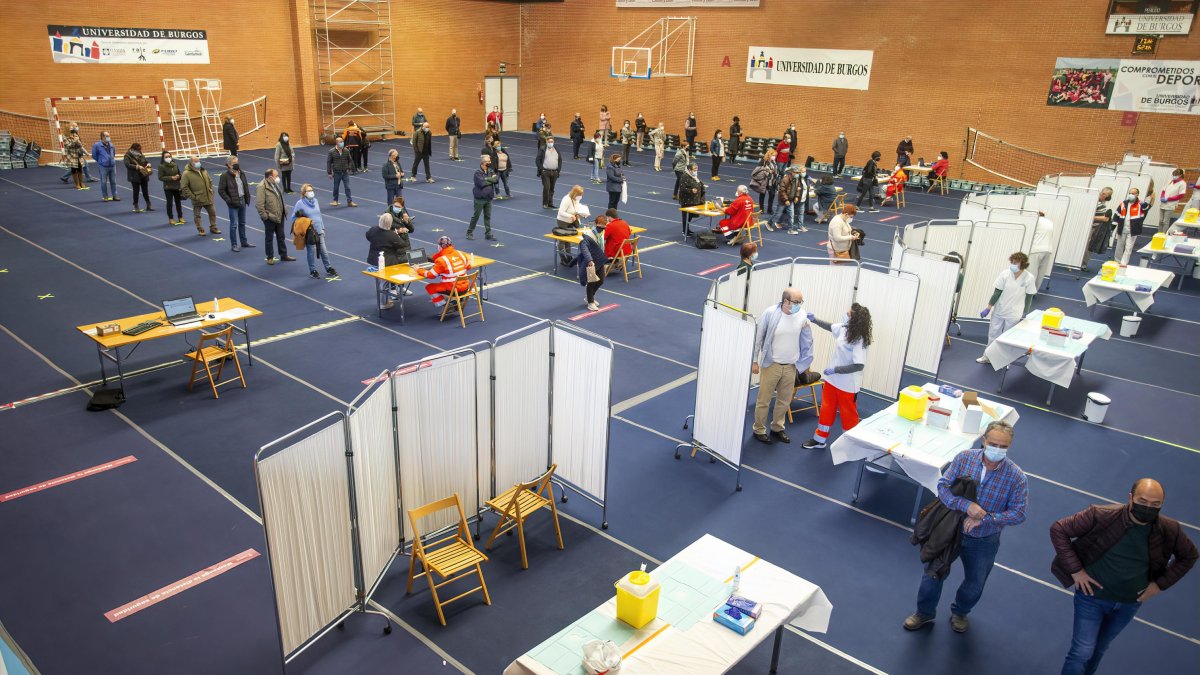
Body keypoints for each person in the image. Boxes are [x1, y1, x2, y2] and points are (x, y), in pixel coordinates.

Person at [1051, 478, 1197, 675]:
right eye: (1143, 501)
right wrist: (1076, 570)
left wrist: (1159, 585)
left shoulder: (1170, 529)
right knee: (1082, 651)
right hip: (1091, 598)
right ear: (1131, 498)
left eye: (1155, 505)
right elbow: (1059, 529)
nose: (1148, 508)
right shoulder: (1101, 515)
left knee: (1098, 650)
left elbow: (1189, 555)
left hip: (1129, 603)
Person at [904, 421, 1027, 634]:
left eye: (1004, 446)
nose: (998, 450)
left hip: (984, 539)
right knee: (932, 575)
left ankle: (960, 612)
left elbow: (1018, 513)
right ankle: (924, 613)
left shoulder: (1016, 477)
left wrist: (985, 519)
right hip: (950, 532)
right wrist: (966, 506)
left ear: (1010, 446)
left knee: (975, 583)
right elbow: (942, 487)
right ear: (984, 441)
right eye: (994, 444)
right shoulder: (964, 458)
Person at [802, 304, 871, 449]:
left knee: (848, 415)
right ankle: (819, 439)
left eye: (848, 313)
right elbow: (830, 326)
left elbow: (859, 365)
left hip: (847, 384)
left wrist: (836, 370)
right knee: (827, 409)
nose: (845, 314)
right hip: (832, 381)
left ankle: (852, 445)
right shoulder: (844, 328)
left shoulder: (860, 340)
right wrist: (815, 320)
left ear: (855, 319)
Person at [750, 288, 815, 445]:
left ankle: (777, 428)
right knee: (764, 400)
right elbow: (758, 338)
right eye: (796, 302)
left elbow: (807, 339)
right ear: (786, 301)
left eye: (801, 302)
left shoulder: (802, 315)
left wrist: (805, 363)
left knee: (784, 401)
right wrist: (754, 361)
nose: (799, 305)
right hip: (771, 364)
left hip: (790, 366)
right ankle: (759, 429)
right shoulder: (770, 313)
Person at [976, 252, 1038, 364]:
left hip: (1014, 313)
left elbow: (1029, 297)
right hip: (999, 309)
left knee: (1008, 338)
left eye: (1016, 262)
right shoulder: (1005, 274)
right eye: (1012, 261)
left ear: (1023, 263)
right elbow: (997, 292)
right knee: (993, 334)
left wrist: (1026, 313)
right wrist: (988, 308)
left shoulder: (1029, 278)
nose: (1013, 264)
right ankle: (987, 357)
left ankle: (1002, 360)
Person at [289, 183, 337, 279]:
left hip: (319, 230)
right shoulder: (300, 203)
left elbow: (319, 216)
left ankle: (328, 268)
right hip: (309, 232)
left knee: (324, 251)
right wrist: (305, 221)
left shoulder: (315, 201)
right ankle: (312, 270)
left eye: (312, 190)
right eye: (309, 191)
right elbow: (293, 218)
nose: (311, 192)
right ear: (304, 193)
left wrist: (323, 228)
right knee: (311, 251)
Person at [418, 236, 472, 308]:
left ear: (440, 247)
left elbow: (431, 275)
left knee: (430, 287)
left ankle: (445, 305)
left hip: (453, 288)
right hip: (465, 287)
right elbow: (468, 267)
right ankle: (455, 301)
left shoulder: (442, 260)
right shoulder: (461, 253)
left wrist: (418, 270)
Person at [256, 168, 293, 265]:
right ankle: (270, 257)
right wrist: (266, 217)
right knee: (269, 238)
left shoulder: (275, 184)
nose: (278, 178)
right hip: (270, 218)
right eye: (276, 176)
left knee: (281, 236)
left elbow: (280, 198)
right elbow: (259, 205)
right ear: (270, 177)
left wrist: (284, 209)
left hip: (279, 215)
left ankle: (283, 255)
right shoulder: (261, 187)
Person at [573, 215, 609, 311]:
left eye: (604, 227)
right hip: (591, 261)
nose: (602, 228)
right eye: (600, 226)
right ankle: (590, 302)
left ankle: (590, 296)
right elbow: (584, 249)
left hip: (599, 259)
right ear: (595, 224)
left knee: (601, 280)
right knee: (591, 281)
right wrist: (589, 260)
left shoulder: (602, 232)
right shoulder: (589, 235)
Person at [218, 156, 253, 251]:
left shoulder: (242, 173)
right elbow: (221, 190)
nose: (237, 164)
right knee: (234, 224)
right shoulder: (225, 176)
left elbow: (245, 186)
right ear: (229, 165)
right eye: (234, 163)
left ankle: (244, 242)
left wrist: (247, 197)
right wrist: (229, 200)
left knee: (242, 222)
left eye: (237, 162)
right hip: (233, 203)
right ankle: (234, 244)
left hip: (242, 200)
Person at [180, 157, 220, 236]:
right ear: (191, 163)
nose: (198, 162)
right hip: (197, 198)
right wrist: (193, 196)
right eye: (196, 161)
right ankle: (200, 229)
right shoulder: (186, 173)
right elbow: (184, 187)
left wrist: (211, 191)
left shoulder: (203, 170)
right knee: (197, 215)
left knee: (212, 212)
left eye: (198, 161)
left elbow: (210, 181)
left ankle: (213, 227)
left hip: (208, 197)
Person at [555, 184, 592, 265]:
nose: (581, 197)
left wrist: (582, 210)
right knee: (562, 241)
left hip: (571, 221)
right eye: (579, 195)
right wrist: (570, 216)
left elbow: (576, 207)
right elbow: (561, 212)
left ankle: (569, 257)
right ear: (575, 194)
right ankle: (563, 258)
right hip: (563, 221)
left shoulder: (576, 199)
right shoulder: (566, 199)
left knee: (568, 239)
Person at [1113, 188, 1150, 266]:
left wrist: (1144, 203)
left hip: (1133, 230)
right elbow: (1116, 215)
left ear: (1137, 195)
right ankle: (1117, 261)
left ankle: (1123, 263)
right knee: (1119, 246)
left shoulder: (1141, 204)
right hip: (1122, 228)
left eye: (1133, 193)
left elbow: (1146, 208)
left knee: (1128, 248)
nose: (1131, 195)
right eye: (1130, 193)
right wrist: (1112, 227)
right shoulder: (1123, 203)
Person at [467, 155, 499, 241]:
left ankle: (488, 234)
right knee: (476, 216)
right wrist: (490, 179)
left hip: (488, 198)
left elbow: (496, 180)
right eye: (488, 161)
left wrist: (486, 179)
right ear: (483, 163)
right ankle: (469, 232)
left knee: (487, 216)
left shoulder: (490, 170)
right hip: (480, 199)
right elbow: (481, 183)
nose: (490, 162)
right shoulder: (477, 172)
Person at [777, 163, 813, 234]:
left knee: (800, 213)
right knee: (787, 212)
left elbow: (807, 185)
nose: (804, 173)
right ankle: (779, 222)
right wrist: (794, 196)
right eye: (802, 172)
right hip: (795, 199)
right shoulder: (796, 179)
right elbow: (790, 189)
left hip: (802, 199)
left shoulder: (806, 178)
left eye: (805, 171)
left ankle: (800, 226)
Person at [123, 143, 154, 213]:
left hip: (143, 174)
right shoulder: (127, 155)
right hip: (134, 176)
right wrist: (137, 167)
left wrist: (148, 164)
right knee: (136, 191)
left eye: (140, 149)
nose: (139, 151)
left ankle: (148, 204)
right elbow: (127, 165)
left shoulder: (140, 153)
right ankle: (136, 205)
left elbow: (145, 161)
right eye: (137, 150)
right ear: (132, 149)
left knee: (145, 191)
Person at [1087, 188, 1115, 263]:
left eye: (1106, 194)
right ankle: (1083, 264)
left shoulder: (1102, 204)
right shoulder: (1096, 203)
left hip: (1095, 228)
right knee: (1088, 247)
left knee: (1090, 247)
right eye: (1103, 193)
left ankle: (1083, 263)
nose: (1102, 195)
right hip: (1091, 228)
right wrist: (1105, 218)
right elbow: (1090, 216)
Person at [1028, 211, 1055, 289]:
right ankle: (1035, 290)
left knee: (1032, 272)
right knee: (1041, 272)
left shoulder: (1036, 221)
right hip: (1048, 250)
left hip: (1036, 249)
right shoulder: (1049, 222)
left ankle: (1029, 291)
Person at [327, 138, 357, 207]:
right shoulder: (331, 151)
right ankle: (335, 200)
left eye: (342, 142)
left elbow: (350, 160)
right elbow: (329, 162)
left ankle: (349, 201)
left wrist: (350, 167)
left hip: (345, 173)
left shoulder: (346, 151)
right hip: (337, 172)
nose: (342, 143)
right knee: (336, 187)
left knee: (347, 187)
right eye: (340, 142)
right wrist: (329, 173)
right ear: (337, 143)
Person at [751, 149, 779, 222]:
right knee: (762, 194)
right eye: (773, 155)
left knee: (772, 194)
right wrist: (766, 170)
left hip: (772, 181)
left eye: (775, 155)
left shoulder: (774, 162)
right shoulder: (763, 161)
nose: (774, 157)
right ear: (769, 155)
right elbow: (756, 170)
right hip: (764, 180)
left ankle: (770, 209)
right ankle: (761, 209)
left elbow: (776, 170)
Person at [91, 130, 119, 202]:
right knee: (103, 182)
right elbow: (94, 155)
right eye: (107, 136)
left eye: (109, 136)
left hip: (112, 166)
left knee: (113, 181)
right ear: (102, 137)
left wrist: (111, 160)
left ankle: (115, 195)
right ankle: (105, 196)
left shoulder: (111, 145)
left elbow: (114, 153)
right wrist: (101, 161)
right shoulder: (97, 145)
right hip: (103, 166)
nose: (108, 137)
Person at [678, 163, 706, 236]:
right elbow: (682, 188)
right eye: (694, 169)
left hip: (694, 200)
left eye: (696, 169)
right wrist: (691, 190)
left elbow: (698, 183)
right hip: (686, 200)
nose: (696, 170)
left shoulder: (694, 176)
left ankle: (687, 229)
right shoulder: (684, 176)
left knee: (690, 216)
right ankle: (685, 231)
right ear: (689, 170)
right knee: (686, 216)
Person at [157, 151, 184, 225]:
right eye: (166, 157)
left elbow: (179, 173)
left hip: (176, 186)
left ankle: (180, 216)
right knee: (169, 203)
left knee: (178, 202)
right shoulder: (161, 166)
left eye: (169, 156)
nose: (168, 158)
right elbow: (160, 177)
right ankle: (171, 218)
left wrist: (179, 176)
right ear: (163, 158)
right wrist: (171, 178)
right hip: (168, 187)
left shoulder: (175, 164)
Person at [62, 127, 88, 191]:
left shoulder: (75, 135)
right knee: (74, 170)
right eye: (72, 128)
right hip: (71, 155)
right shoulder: (64, 137)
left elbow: (80, 145)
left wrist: (85, 152)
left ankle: (81, 183)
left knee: (80, 168)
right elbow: (68, 146)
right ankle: (77, 184)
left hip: (78, 154)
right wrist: (74, 141)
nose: (74, 129)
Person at [541, 137, 563, 209]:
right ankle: (545, 203)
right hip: (545, 172)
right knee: (547, 187)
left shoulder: (557, 149)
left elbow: (560, 160)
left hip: (554, 172)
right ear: (546, 142)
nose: (551, 143)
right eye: (549, 141)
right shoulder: (542, 149)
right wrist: (541, 169)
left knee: (552, 188)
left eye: (552, 141)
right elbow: (537, 160)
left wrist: (558, 170)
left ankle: (550, 203)